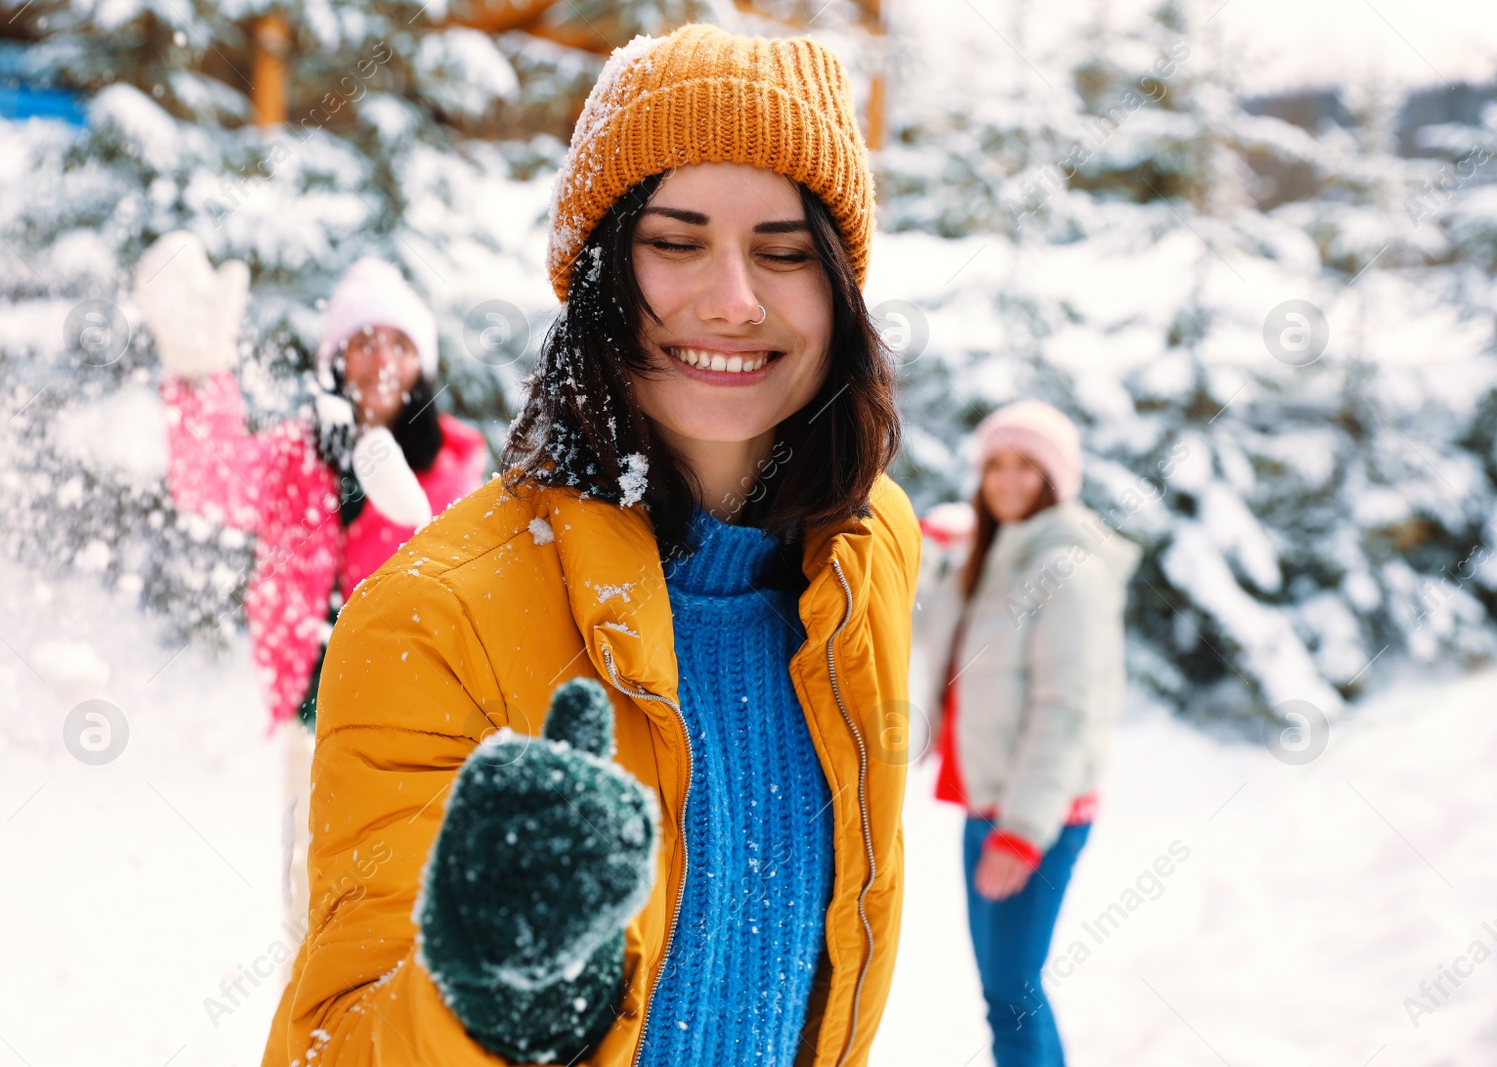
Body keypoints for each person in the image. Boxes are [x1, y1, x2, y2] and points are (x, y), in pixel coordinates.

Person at [260, 23, 921, 1067]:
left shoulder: (867, 548)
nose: (734, 299)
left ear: (837, 290)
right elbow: (334, 1039)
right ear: (601, 274)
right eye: (675, 239)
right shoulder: (437, 614)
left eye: (785, 250)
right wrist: (491, 995)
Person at [135, 238, 489, 950]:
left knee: (400, 914)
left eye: (397, 342)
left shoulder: (456, 462)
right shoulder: (298, 455)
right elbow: (212, 481)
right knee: (310, 908)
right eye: (361, 341)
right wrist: (200, 375)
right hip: (315, 718)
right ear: (336, 360)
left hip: (416, 727)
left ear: (421, 362)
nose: (380, 358)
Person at [910, 400, 1140, 1067]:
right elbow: (925, 626)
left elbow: (1068, 709)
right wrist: (927, 549)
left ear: (1056, 479)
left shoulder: (1069, 569)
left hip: (1036, 814)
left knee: (1011, 993)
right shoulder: (991, 561)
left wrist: (1021, 829)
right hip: (989, 803)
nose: (1008, 482)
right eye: (995, 466)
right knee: (1006, 988)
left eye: (1027, 468)